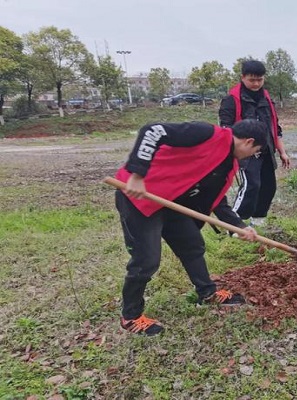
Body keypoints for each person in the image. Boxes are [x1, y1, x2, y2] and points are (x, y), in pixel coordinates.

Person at [113, 119, 268, 335]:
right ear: (249, 142)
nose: (251, 157)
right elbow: (153, 130)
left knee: (192, 244)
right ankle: (130, 316)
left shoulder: (228, 163)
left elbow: (216, 199)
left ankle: (207, 293)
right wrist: (137, 175)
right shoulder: (207, 134)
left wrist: (238, 226)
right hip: (139, 198)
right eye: (255, 151)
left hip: (172, 203)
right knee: (146, 261)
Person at [219, 60, 291, 226]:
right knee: (251, 186)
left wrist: (282, 152)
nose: (256, 83)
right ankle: (236, 224)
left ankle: (258, 221)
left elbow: (274, 127)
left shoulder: (266, 99)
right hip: (245, 153)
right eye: (252, 80)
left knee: (268, 187)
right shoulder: (232, 100)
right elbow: (226, 130)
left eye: (260, 79)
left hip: (266, 150)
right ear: (243, 77)